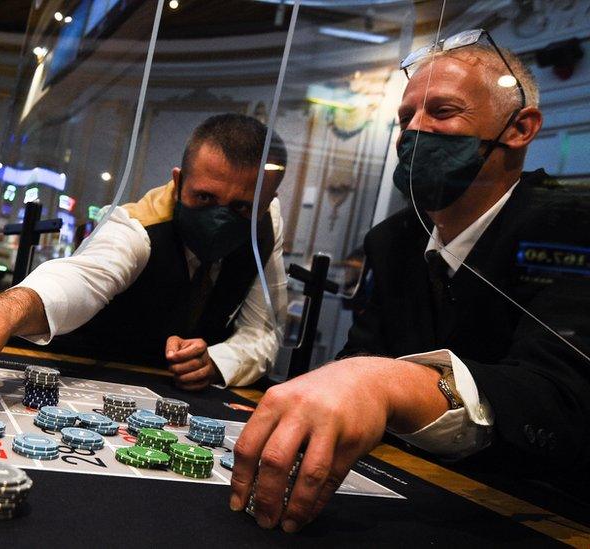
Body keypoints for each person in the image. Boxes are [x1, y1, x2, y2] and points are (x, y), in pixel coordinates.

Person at [230, 31, 590, 534]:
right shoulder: (395, 239)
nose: (412, 132)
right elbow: (362, 356)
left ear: (520, 128)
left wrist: (385, 385)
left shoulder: (574, 228)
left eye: (442, 112)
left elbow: (560, 401)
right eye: (405, 118)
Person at [0, 114, 289, 396]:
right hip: (95, 375)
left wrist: (219, 360)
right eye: (204, 197)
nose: (222, 216)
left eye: (242, 207)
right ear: (179, 181)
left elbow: (264, 330)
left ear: (267, 201)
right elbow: (80, 277)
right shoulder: (136, 228)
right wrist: (4, 310)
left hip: (179, 392)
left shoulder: (267, 224)